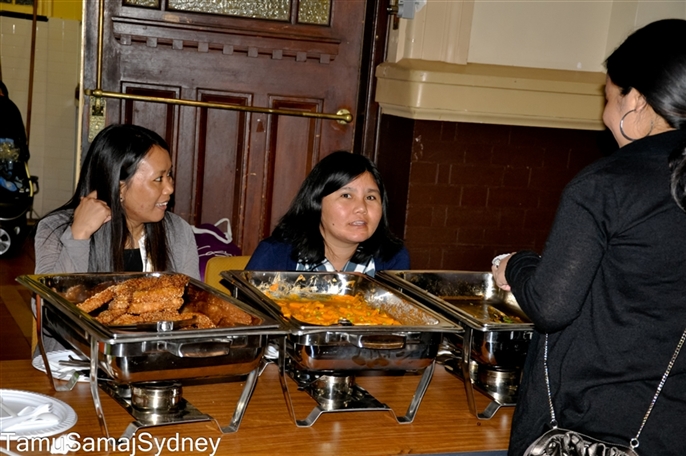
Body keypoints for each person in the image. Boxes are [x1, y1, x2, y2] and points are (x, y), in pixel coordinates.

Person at [491, 19, 686, 456]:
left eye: (608, 97)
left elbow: (551, 305)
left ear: (635, 100)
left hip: (589, 426)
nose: (604, 114)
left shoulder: (607, 183)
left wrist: (516, 264)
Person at [35, 124, 199, 278]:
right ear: (119, 188)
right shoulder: (56, 229)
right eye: (158, 179)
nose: (169, 188)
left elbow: (189, 296)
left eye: (169, 174)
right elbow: (47, 298)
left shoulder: (176, 231)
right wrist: (79, 235)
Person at [246, 151, 409, 275]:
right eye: (346, 196)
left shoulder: (392, 259)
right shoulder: (275, 254)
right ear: (316, 202)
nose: (361, 208)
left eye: (371, 197)